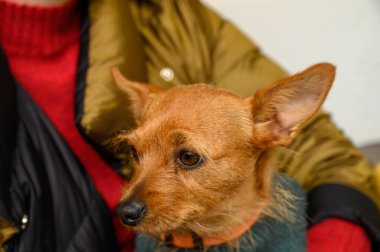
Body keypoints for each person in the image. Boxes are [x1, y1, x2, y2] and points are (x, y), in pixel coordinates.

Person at [0, 0, 379, 251]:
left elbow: (327, 153)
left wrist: (339, 240)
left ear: (276, 124)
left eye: (187, 158)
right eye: (135, 151)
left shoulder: (171, 14)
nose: (129, 204)